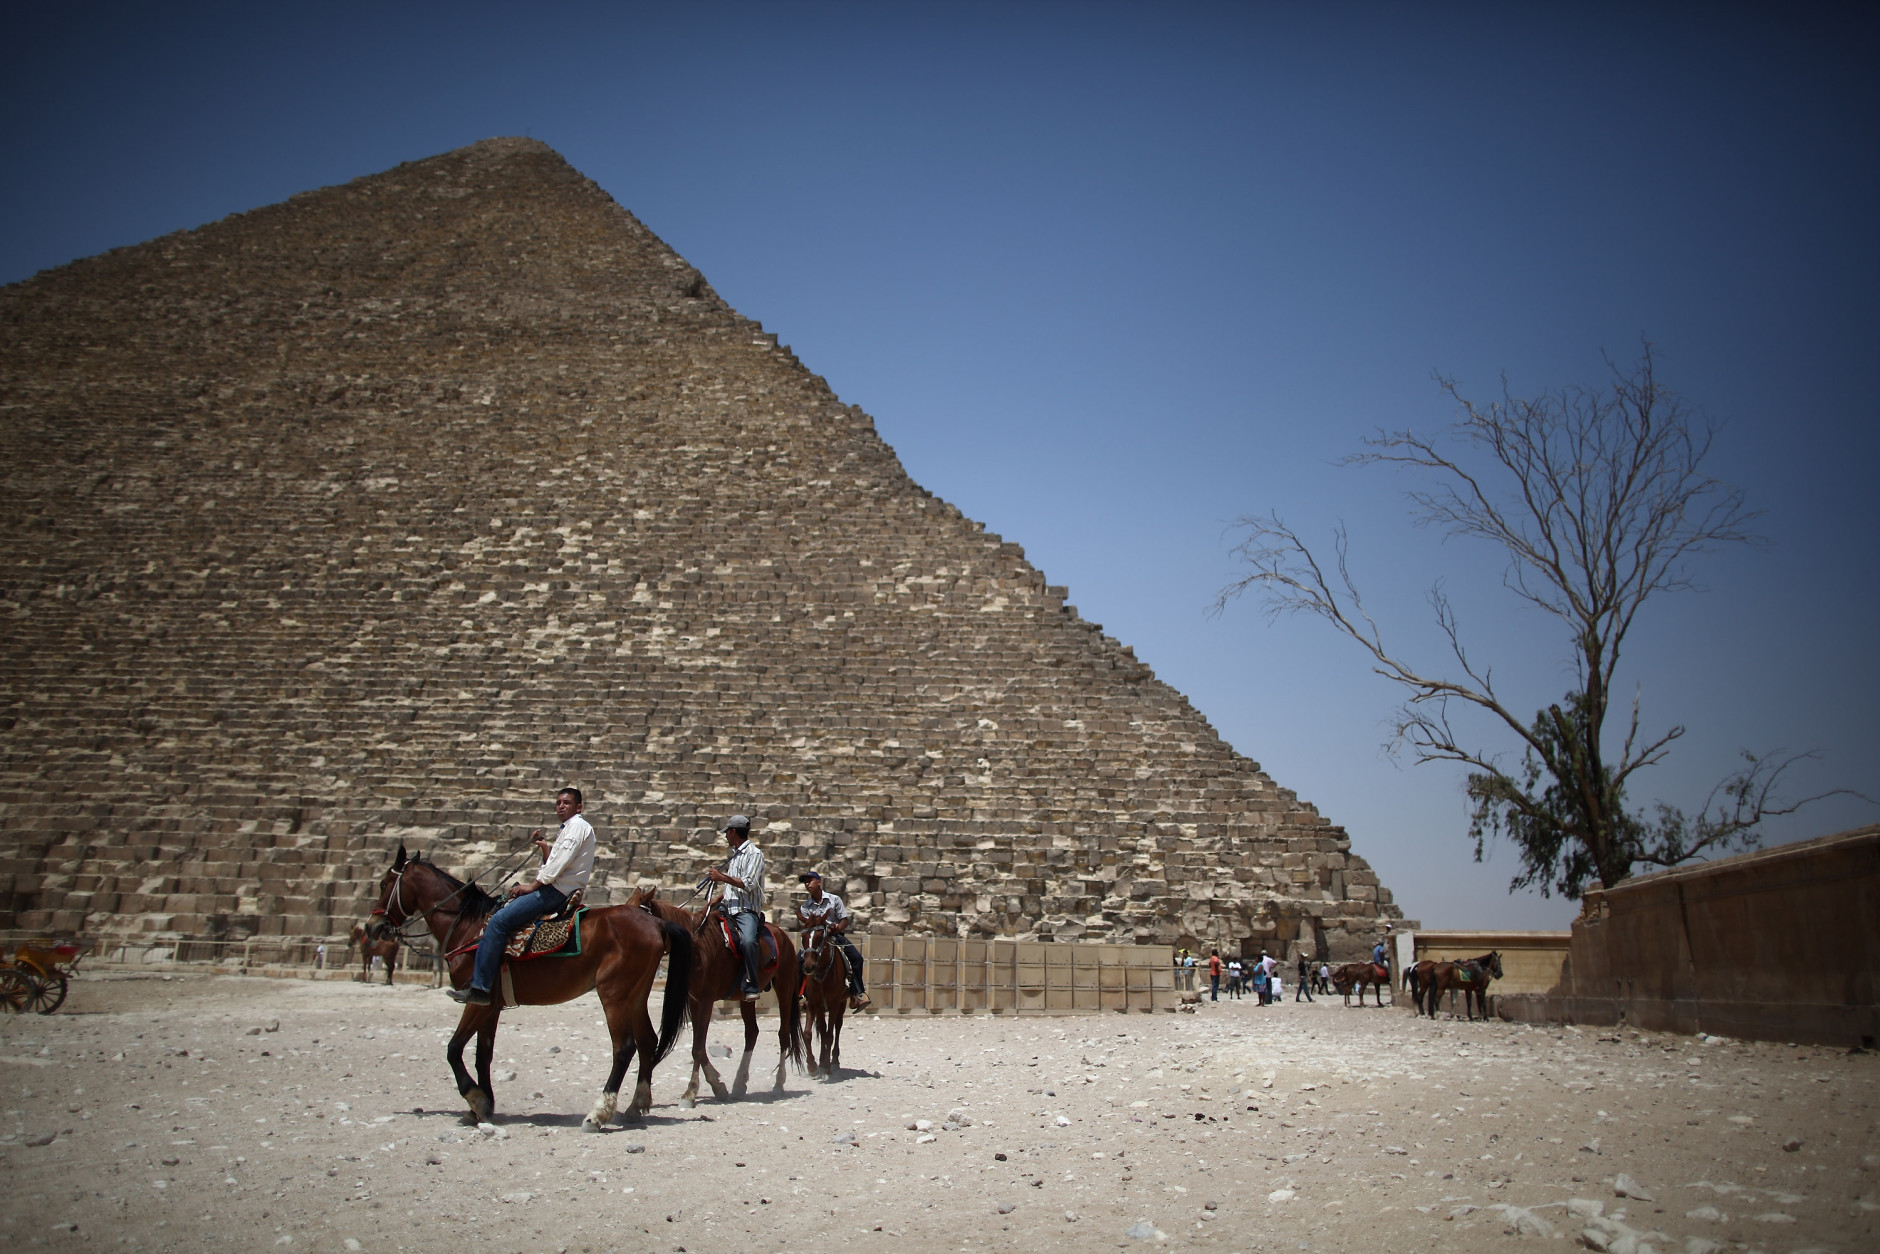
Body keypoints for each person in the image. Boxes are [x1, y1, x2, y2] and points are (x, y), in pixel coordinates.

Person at [449, 787, 596, 1005]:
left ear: (579, 807)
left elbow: (557, 866)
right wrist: (545, 848)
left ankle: (480, 987)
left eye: (566, 803)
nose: (561, 806)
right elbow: (556, 862)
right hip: (555, 887)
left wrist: (532, 886)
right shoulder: (568, 828)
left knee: (498, 922)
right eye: (558, 803)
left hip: (554, 892)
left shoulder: (576, 827)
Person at [706, 814, 768, 1001]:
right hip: (727, 906)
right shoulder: (736, 855)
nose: (725, 836)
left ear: (733, 832)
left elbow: (748, 883)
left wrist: (721, 877)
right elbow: (733, 886)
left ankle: (752, 983)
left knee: (748, 941)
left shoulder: (754, 854)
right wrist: (719, 897)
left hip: (745, 911)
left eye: (727, 832)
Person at [796, 870, 870, 1011]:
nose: (807, 884)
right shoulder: (805, 907)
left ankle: (857, 994)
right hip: (815, 940)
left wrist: (835, 929)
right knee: (798, 963)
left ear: (819, 882)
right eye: (805, 882)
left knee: (856, 958)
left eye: (810, 881)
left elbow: (844, 920)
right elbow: (807, 926)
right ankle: (801, 996)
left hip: (834, 936)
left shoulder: (834, 899)